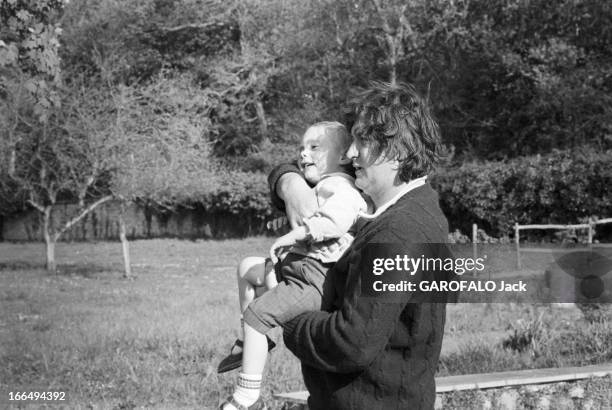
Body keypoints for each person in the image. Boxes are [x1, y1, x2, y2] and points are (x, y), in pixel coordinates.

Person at [269, 82, 454, 409]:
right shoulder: (395, 211)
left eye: (362, 142)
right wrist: (289, 182)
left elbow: (351, 342)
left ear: (397, 151)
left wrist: (283, 315)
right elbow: (315, 172)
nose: (350, 154)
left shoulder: (400, 232)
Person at [218, 121, 368, 410]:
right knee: (246, 267)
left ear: (342, 157)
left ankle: (246, 395)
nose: (303, 154)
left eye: (314, 148)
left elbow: (335, 221)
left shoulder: (341, 186)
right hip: (299, 268)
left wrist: (297, 232)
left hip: (315, 278)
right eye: (301, 148)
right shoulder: (321, 185)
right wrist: (286, 220)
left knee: (256, 316)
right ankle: (247, 340)